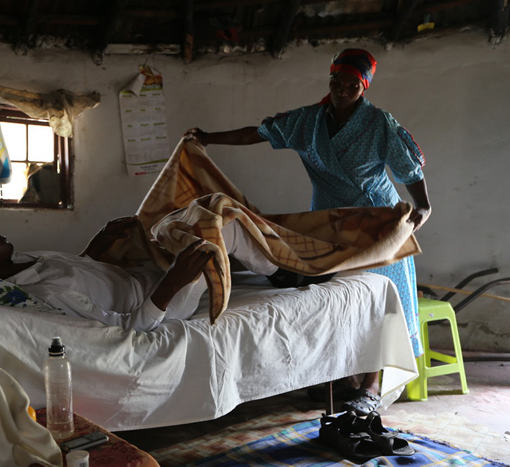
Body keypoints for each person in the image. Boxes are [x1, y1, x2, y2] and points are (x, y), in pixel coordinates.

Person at [184, 48, 431, 415]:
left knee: (377, 301)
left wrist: (423, 205)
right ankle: (342, 375)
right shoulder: (309, 122)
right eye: (336, 82)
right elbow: (259, 133)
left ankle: (371, 384)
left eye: (352, 86)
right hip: (329, 221)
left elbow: (409, 170)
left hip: (375, 221)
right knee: (337, 301)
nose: (342, 91)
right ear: (329, 81)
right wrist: (208, 137)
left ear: (363, 88)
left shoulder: (379, 123)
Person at [0, 217, 282, 332]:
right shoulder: (46, 295)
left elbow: (78, 274)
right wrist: (175, 281)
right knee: (224, 227)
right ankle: (282, 272)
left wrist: (96, 246)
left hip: (142, 274)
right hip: (162, 299)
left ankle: (272, 257)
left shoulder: (24, 261)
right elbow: (128, 328)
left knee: (185, 217)